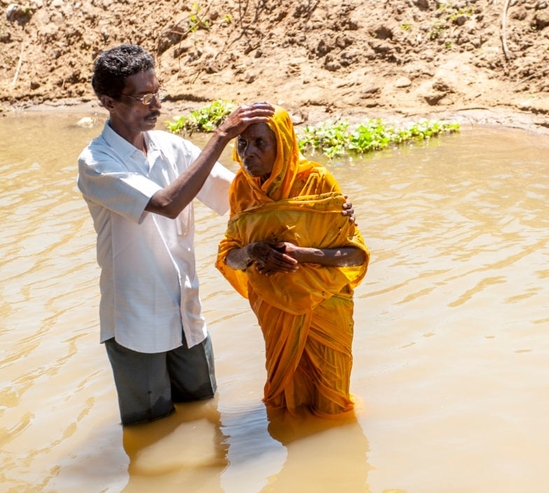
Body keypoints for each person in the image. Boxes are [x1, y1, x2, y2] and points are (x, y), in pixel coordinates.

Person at [76, 43, 280, 425]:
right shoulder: (97, 163)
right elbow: (168, 202)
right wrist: (220, 136)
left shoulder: (172, 148)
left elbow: (241, 195)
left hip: (187, 315)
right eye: (143, 97)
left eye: (158, 92)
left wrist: (318, 200)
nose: (156, 104)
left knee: (206, 417)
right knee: (150, 432)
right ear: (108, 101)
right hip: (137, 324)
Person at [216, 108, 370, 417]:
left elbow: (354, 255)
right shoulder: (242, 189)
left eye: (261, 143)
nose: (249, 153)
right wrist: (253, 252)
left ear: (283, 144)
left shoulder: (317, 181)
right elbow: (229, 257)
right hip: (276, 308)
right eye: (243, 144)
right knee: (286, 402)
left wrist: (299, 254)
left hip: (326, 304)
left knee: (334, 403)